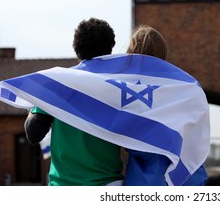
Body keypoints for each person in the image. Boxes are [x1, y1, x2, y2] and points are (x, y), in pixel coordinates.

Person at [24, 17, 124, 186]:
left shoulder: (57, 84)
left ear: (77, 50)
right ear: (110, 49)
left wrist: (33, 107)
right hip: (108, 186)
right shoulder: (122, 88)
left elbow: (34, 134)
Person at [124, 24, 208, 186]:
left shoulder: (124, 94)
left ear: (131, 52)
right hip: (186, 180)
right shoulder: (185, 89)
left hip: (143, 183)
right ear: (163, 54)